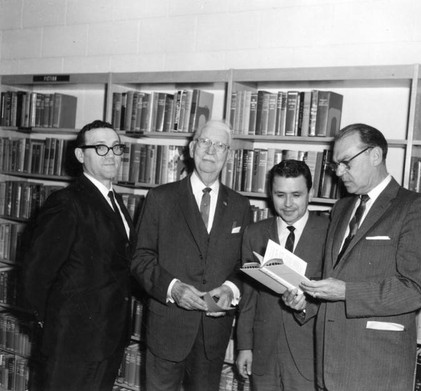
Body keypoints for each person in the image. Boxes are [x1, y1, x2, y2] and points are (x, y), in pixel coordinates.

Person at [284, 123, 421, 390]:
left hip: (375, 369)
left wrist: (346, 292)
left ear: (375, 155)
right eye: (336, 165)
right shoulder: (342, 207)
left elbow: (415, 289)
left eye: (346, 162)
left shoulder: (414, 206)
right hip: (328, 366)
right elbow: (333, 279)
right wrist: (305, 302)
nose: (339, 172)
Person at [131, 119, 252, 391]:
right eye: (205, 142)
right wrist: (173, 288)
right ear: (192, 146)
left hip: (213, 333)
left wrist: (231, 289)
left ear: (228, 155)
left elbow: (244, 264)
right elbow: (140, 259)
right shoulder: (160, 198)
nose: (211, 151)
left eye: (220, 145)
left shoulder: (240, 205)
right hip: (167, 329)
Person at [22, 120, 136, 391]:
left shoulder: (115, 200)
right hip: (72, 346)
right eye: (100, 147)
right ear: (80, 155)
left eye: (116, 147)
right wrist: (56, 326)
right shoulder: (67, 202)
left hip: (109, 339)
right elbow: (35, 275)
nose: (111, 154)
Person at [235, 159, 328, 391]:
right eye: (280, 195)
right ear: (270, 193)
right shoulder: (254, 233)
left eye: (296, 195)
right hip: (264, 351)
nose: (288, 204)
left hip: (310, 353)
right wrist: (244, 346)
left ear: (311, 193)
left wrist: (307, 304)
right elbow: (248, 297)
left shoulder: (330, 233)